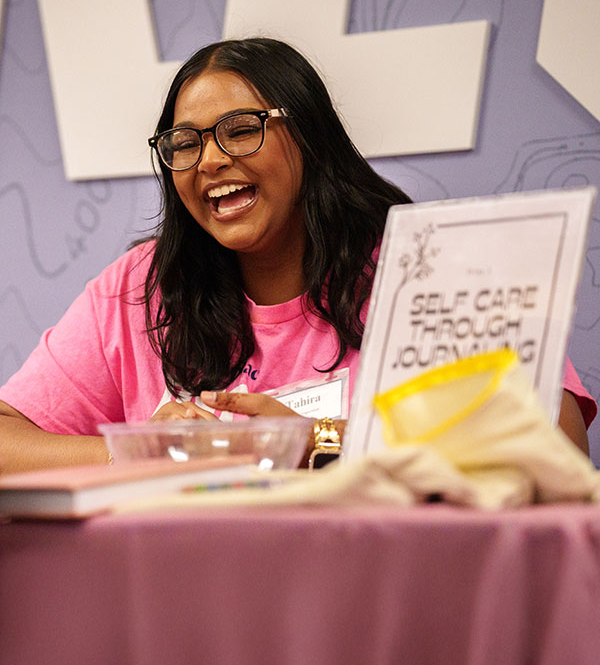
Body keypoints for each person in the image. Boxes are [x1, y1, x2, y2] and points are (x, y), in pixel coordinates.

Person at [0, 38, 594, 473]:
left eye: (239, 129)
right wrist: (133, 452)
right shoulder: (141, 289)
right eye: (184, 144)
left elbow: (558, 446)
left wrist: (329, 442)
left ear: (308, 137)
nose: (209, 161)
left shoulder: (427, 268)